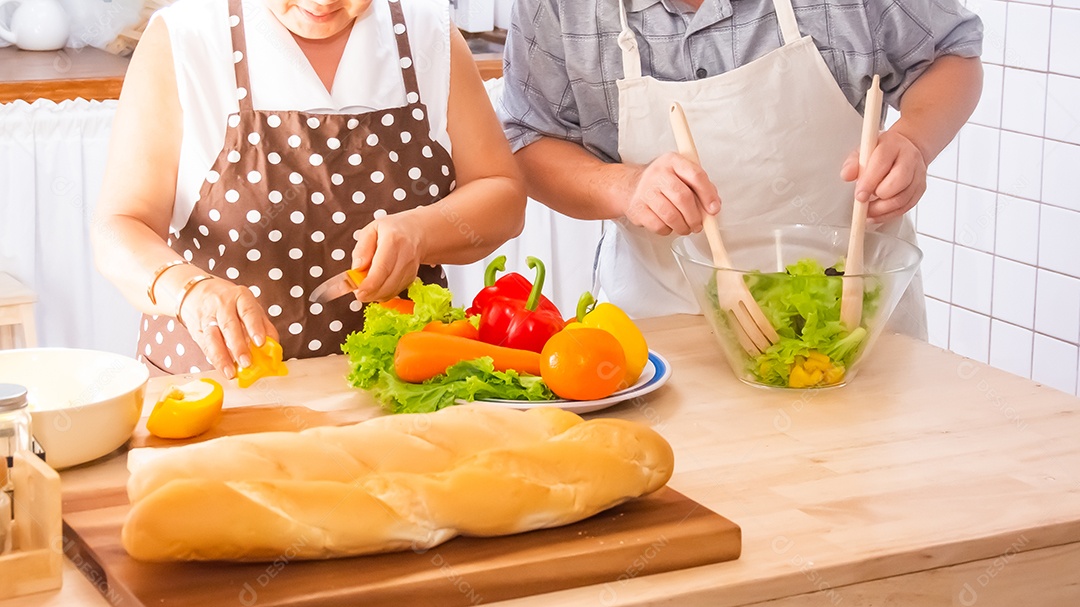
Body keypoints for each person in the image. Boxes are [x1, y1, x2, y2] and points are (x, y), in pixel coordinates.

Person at [498, 0, 984, 338]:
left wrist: (914, 141)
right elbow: (527, 137)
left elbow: (950, 54)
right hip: (662, 326)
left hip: (854, 323)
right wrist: (624, 186)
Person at [92, 0, 526, 378]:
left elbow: (502, 193)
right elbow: (119, 226)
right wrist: (190, 290)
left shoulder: (427, 33)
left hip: (397, 389)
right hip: (217, 392)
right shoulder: (186, 39)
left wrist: (422, 231)